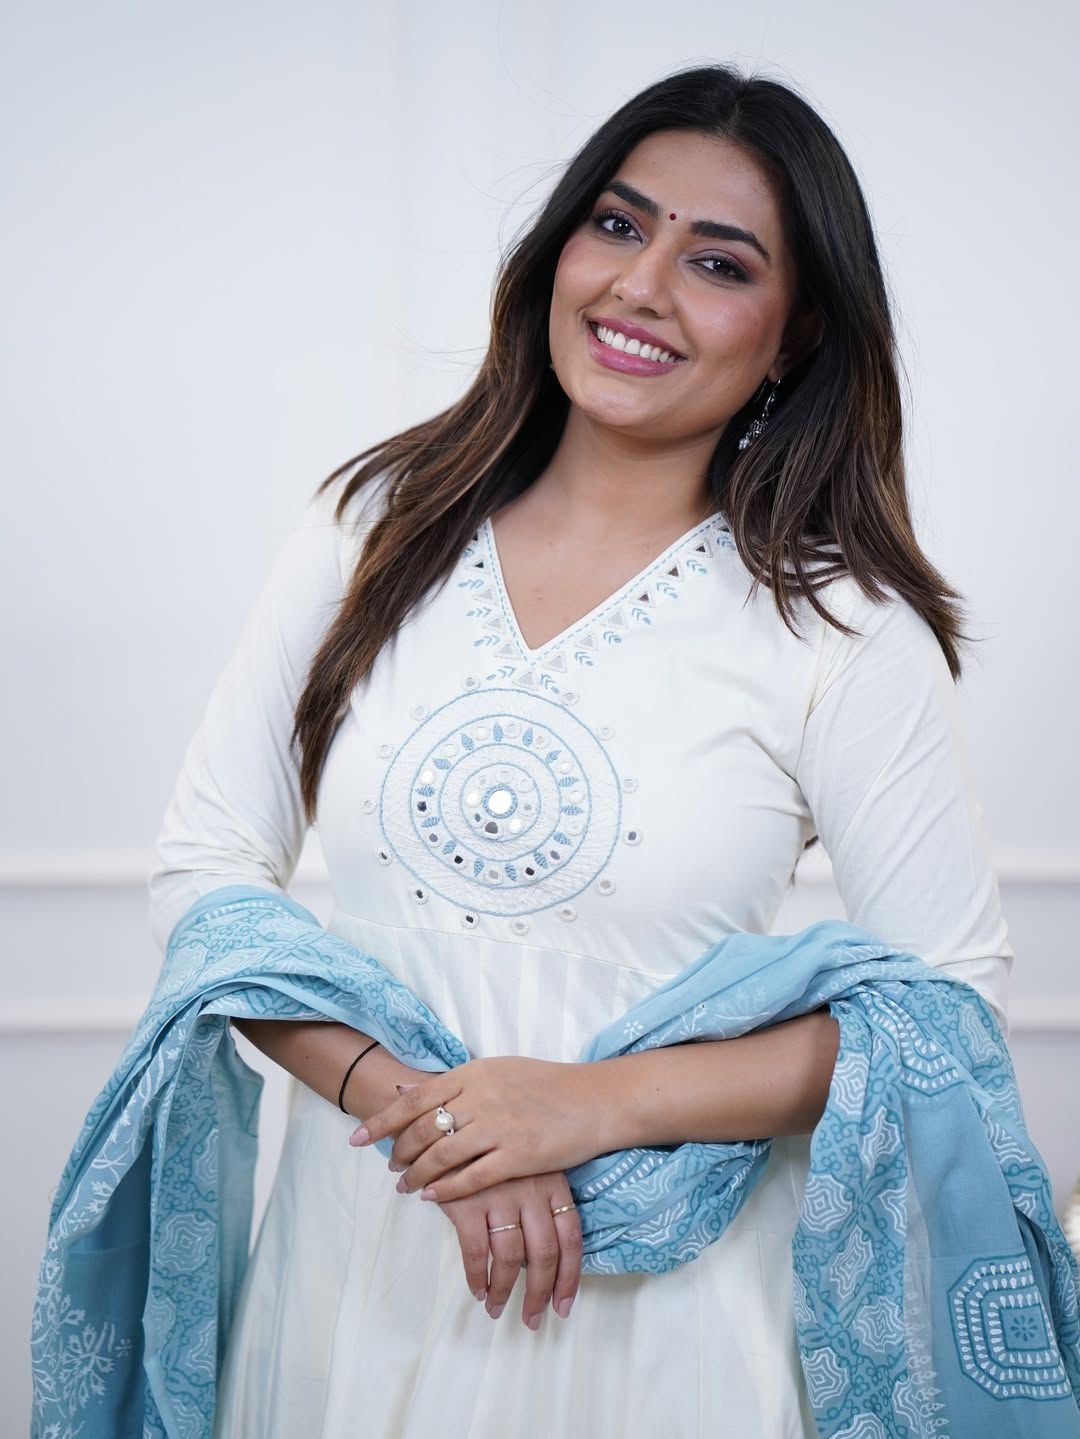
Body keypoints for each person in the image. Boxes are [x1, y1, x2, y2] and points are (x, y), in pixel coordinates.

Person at [146, 63, 1013, 1437]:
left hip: (663, 1323)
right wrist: (431, 1120)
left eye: (718, 262)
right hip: (354, 1267)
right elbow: (207, 871)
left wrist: (592, 1108)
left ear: (794, 335)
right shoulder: (375, 528)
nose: (641, 286)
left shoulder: (839, 626)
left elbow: (947, 1013)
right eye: (617, 225)